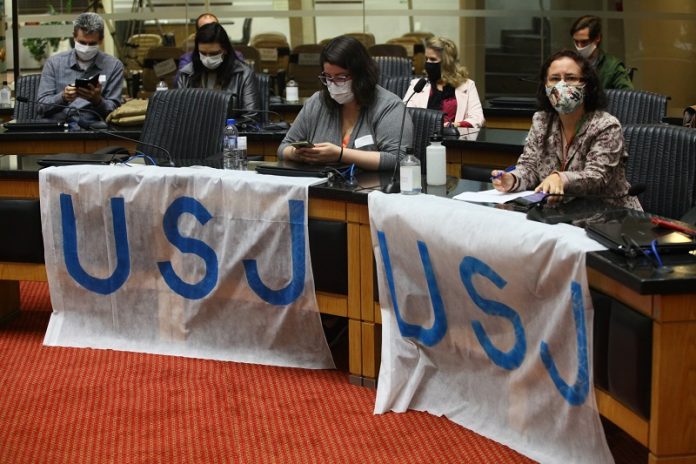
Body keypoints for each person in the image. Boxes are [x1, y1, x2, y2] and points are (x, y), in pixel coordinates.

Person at [491, 49, 642, 210]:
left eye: (570, 78)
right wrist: (512, 180)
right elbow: (529, 167)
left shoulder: (606, 125)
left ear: (587, 85)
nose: (561, 85)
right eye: (554, 79)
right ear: (545, 86)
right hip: (562, 215)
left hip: (611, 217)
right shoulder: (541, 121)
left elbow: (597, 179)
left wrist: (561, 179)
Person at [278, 35, 412, 171]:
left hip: (369, 188)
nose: (333, 84)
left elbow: (398, 159)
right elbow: (283, 148)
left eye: (341, 77)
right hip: (321, 185)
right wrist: (300, 154)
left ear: (361, 75)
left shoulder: (389, 106)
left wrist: (340, 154)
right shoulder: (317, 102)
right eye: (328, 77)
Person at [36, 12, 124, 124]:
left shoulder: (114, 66)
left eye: (92, 44)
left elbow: (115, 111)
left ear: (101, 41)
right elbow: (40, 107)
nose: (86, 48)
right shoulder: (54, 63)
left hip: (93, 131)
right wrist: (63, 97)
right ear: (74, 37)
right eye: (82, 43)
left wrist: (97, 101)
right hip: (57, 129)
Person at [403, 36, 484, 129]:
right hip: (424, 137)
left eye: (432, 59)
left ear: (447, 62)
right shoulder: (417, 85)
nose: (428, 63)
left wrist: (453, 125)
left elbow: (477, 118)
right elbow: (405, 114)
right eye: (426, 59)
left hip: (455, 138)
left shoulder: (468, 85)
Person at [176, 23, 258, 112]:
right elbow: (180, 112)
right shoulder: (186, 74)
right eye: (203, 53)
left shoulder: (244, 74)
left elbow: (251, 115)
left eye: (214, 54)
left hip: (232, 125)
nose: (207, 58)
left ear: (225, 50)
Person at [175, 13, 244, 83]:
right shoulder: (187, 60)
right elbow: (180, 82)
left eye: (213, 28)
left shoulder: (236, 57)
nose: (209, 32)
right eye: (203, 53)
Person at [570, 15, 633, 90]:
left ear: (597, 38)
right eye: (576, 41)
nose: (579, 46)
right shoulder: (570, 63)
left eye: (584, 42)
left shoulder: (612, 66)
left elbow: (628, 96)